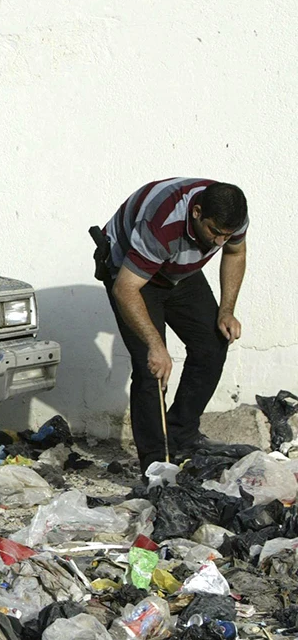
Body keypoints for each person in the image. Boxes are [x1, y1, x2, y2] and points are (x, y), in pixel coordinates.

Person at [94, 178, 248, 474]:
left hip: (178, 272)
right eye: (214, 232)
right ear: (197, 212)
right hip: (132, 275)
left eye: (226, 235)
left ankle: (182, 435)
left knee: (212, 344)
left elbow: (235, 253)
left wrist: (226, 311)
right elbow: (126, 289)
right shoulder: (163, 223)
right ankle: (155, 462)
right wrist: (155, 345)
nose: (219, 242)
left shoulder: (232, 217)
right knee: (151, 367)